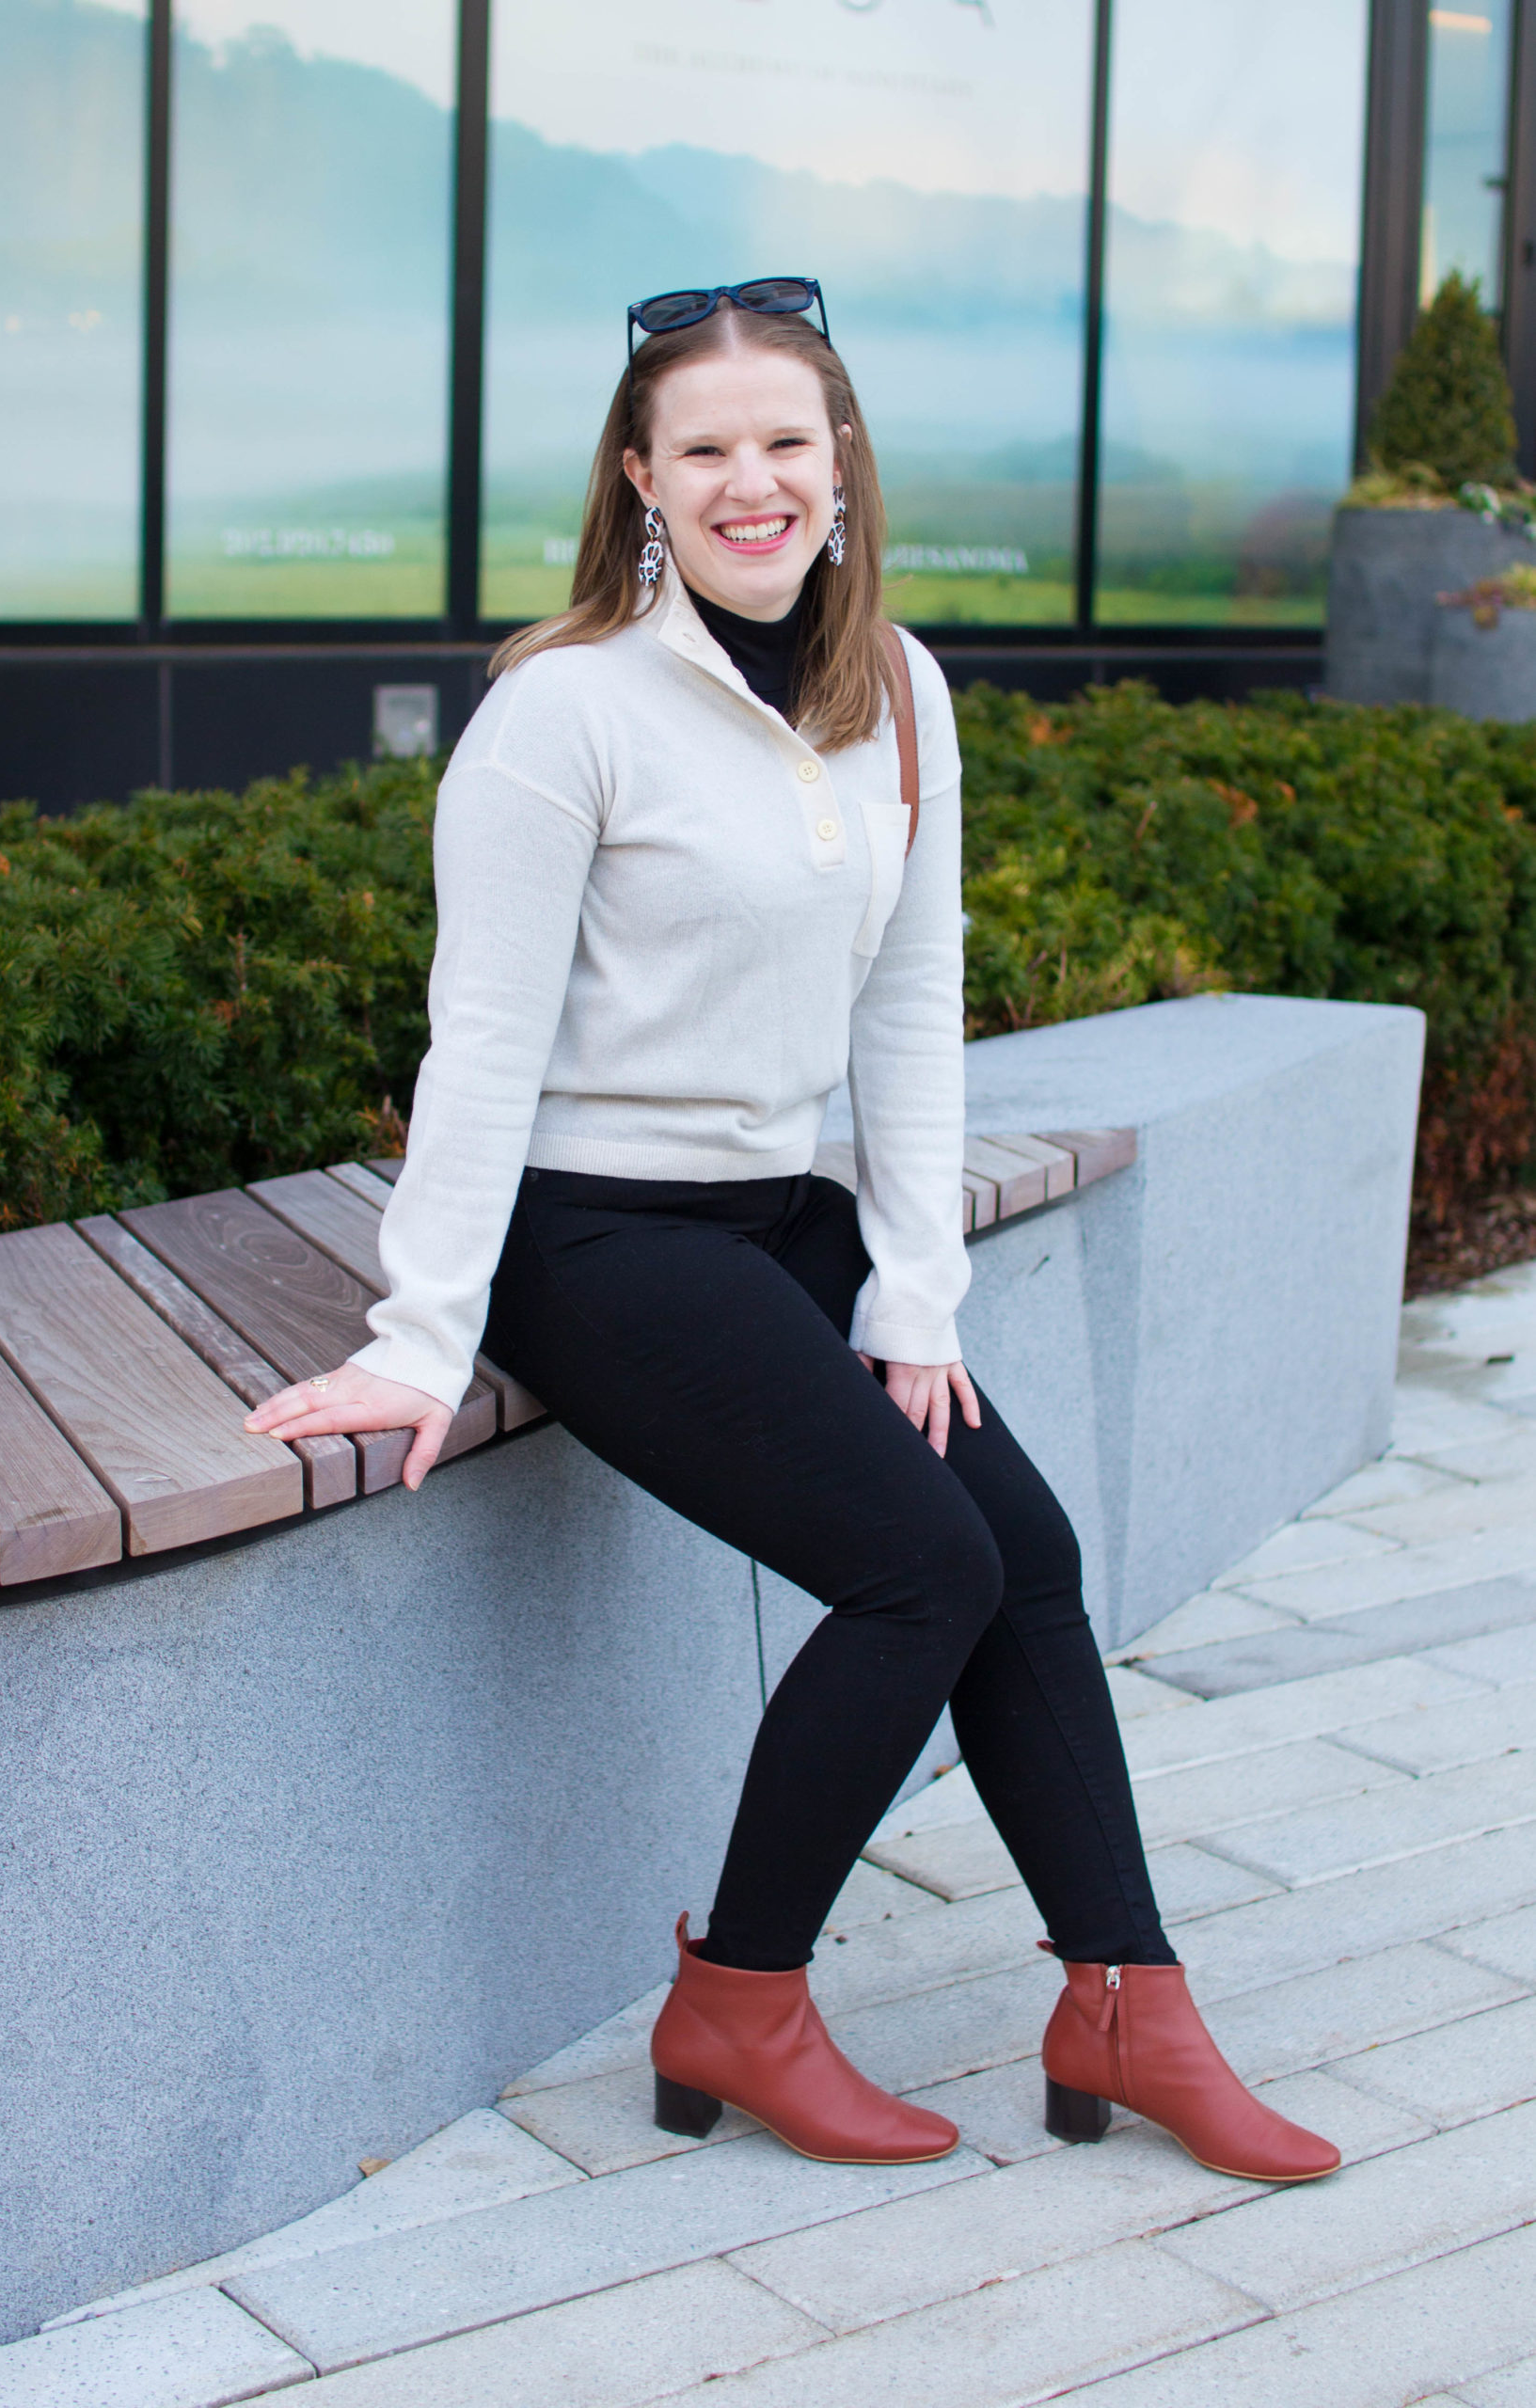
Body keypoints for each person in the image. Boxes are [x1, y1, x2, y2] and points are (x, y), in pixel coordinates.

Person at [245, 277, 1338, 2183]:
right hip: (593, 1240)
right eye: (704, 449)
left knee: (1026, 1546)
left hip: (777, 1216)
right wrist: (421, 1333)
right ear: (638, 480)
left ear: (837, 459)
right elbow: (481, 1043)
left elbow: (910, 1012)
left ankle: (1123, 1999)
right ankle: (740, 1995)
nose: (751, 480)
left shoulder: (894, 688)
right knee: (921, 1561)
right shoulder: (556, 710)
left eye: (783, 439)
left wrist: (916, 1295)